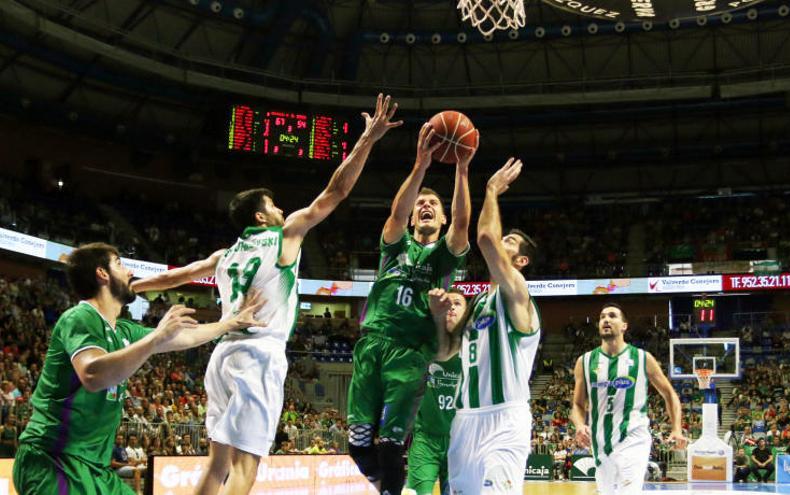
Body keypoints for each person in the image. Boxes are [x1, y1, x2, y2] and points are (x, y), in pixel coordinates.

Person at [130, 95, 400, 494]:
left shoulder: (225, 255)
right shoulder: (284, 235)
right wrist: (367, 140)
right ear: (261, 217)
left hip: (221, 356)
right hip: (258, 354)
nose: (280, 208)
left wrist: (131, 285)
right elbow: (336, 191)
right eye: (272, 205)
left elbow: (176, 276)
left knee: (216, 463)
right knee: (245, 467)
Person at [12, 243, 263, 495]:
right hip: (53, 461)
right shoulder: (80, 317)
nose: (130, 272)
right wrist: (155, 339)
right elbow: (92, 375)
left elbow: (184, 336)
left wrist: (231, 323)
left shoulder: (124, 331)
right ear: (102, 274)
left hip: (96, 470)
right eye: (120, 263)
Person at [346, 118, 475, 495]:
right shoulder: (396, 244)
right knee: (356, 444)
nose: (425, 206)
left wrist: (463, 168)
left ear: (443, 216)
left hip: (410, 354)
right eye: (421, 203)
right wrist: (420, 166)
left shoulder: (445, 258)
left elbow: (464, 222)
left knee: (389, 443)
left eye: (433, 203)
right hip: (372, 344)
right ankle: (394, 491)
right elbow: (397, 213)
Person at [429, 158, 539, 494]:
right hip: (465, 419)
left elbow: (486, 240)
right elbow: (445, 351)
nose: (501, 241)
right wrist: (437, 316)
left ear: (520, 262)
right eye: (504, 237)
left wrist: (491, 191)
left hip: (505, 418)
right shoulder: (477, 307)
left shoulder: (518, 293)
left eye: (511, 243)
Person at [571, 303, 688, 495]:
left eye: (612, 316)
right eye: (602, 317)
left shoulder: (642, 358)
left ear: (624, 326)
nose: (606, 320)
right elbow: (577, 404)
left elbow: (669, 394)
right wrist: (579, 424)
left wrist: (676, 428)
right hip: (600, 440)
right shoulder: (584, 361)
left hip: (634, 436)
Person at [403, 288, 466, 495]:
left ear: (467, 314)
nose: (451, 307)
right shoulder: (424, 344)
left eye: (458, 303)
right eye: (448, 303)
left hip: (460, 441)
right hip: (425, 439)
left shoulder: (473, 349)